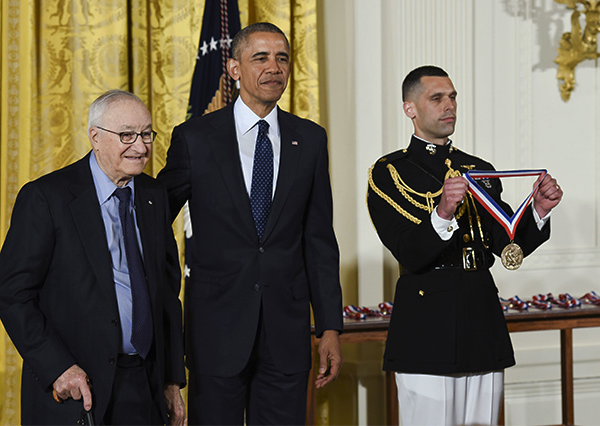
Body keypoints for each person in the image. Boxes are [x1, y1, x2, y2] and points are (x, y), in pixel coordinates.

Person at [158, 22, 343, 425]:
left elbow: (319, 240)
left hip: (287, 333)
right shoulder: (195, 138)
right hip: (215, 331)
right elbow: (154, 220)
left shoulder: (309, 140)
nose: (273, 67)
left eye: (282, 58)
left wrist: (329, 327)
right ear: (234, 68)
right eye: (260, 57)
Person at [367, 66, 563, 425]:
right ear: (410, 108)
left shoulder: (478, 168)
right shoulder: (390, 172)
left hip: (481, 319)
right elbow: (408, 252)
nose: (449, 105)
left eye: (453, 97)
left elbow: (506, 245)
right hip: (426, 327)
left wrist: (538, 210)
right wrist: (442, 211)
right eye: (437, 98)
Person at [0, 90, 186, 425]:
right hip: (76, 386)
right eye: (127, 135)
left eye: (146, 134)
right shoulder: (46, 197)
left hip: (144, 384)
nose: (140, 147)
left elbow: (166, 297)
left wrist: (170, 380)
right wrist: (59, 368)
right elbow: (12, 294)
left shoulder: (154, 196)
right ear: (95, 137)